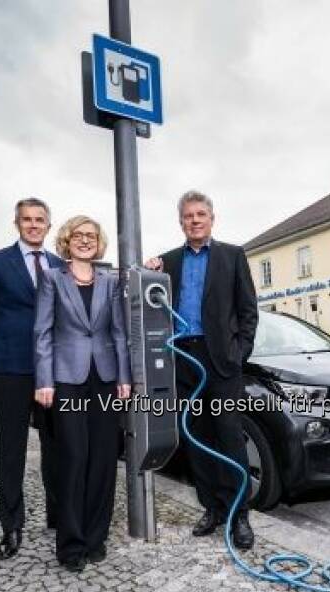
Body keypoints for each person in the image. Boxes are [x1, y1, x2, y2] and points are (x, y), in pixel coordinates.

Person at [145, 190, 258, 550]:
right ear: (181, 222)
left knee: (228, 434)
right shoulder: (167, 261)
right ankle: (211, 507)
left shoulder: (232, 255)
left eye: (201, 214)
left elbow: (248, 311)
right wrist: (147, 271)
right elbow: (145, 297)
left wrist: (238, 354)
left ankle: (239, 514)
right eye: (188, 216)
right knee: (196, 437)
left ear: (212, 218)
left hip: (221, 361)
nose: (195, 220)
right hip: (184, 361)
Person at [33, 215, 131, 572]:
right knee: (73, 458)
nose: (85, 240)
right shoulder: (51, 279)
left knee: (104, 460)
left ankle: (95, 538)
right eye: (79, 235)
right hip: (67, 379)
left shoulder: (111, 281)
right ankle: (70, 545)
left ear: (98, 241)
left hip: (105, 378)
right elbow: (42, 332)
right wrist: (44, 380)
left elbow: (119, 331)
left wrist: (124, 375)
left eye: (91, 235)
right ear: (67, 240)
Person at [0, 198, 63, 560]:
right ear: (17, 223)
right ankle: (11, 526)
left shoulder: (61, 264)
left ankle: (58, 516)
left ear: (48, 224)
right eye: (26, 219)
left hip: (55, 372)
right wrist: (1, 348)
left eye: (39, 220)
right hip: (12, 369)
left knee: (57, 446)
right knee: (10, 450)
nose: (33, 225)